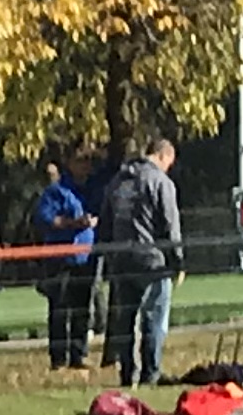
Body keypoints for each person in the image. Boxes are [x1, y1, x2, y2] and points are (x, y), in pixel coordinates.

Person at [99, 135, 182, 388]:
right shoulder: (159, 181)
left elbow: (105, 222)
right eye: (169, 163)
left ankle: (128, 373)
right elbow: (170, 224)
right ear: (163, 155)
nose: (168, 168)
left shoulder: (118, 181)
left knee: (125, 319)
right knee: (154, 318)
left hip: (121, 259)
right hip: (152, 261)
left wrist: (108, 254)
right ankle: (150, 372)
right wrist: (178, 261)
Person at [31, 152, 94, 371]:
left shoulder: (91, 189)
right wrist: (73, 223)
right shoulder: (57, 190)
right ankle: (58, 358)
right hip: (60, 258)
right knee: (59, 308)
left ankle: (79, 354)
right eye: (81, 160)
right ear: (70, 163)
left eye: (89, 161)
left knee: (82, 307)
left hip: (84, 257)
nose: (86, 165)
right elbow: (46, 219)